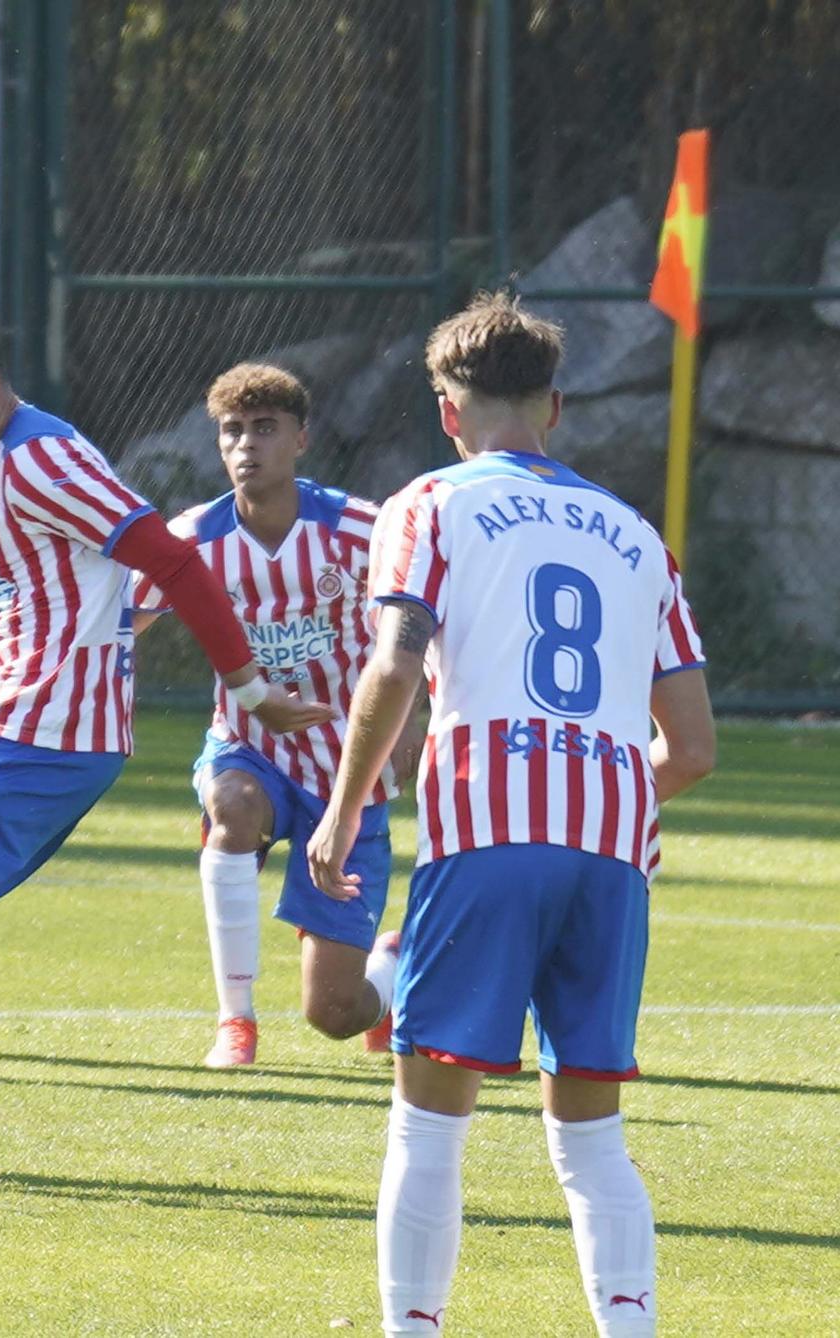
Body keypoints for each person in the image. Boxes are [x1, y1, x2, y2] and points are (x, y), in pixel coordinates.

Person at [0, 299, 334, 1191]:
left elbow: (173, 561)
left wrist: (251, 687)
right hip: (3, 721)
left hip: (58, 734)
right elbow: (11, 600)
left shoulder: (44, 458)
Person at [306, 293, 714, 1336]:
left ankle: (412, 1329)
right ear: (554, 407)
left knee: (428, 1126)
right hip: (609, 851)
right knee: (589, 1138)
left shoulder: (428, 504)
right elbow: (693, 748)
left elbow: (395, 661)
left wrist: (342, 810)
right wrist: (602, 797)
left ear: (448, 411)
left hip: (484, 827)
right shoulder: (639, 540)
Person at [132, 363, 413, 1068]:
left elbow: (429, 626)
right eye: (232, 431)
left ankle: (390, 972)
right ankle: (236, 1020)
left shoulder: (361, 530)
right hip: (248, 748)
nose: (247, 445)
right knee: (231, 804)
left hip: (350, 774)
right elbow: (117, 625)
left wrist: (418, 718)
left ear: (301, 440)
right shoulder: (192, 539)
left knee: (334, 1014)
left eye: (265, 429)